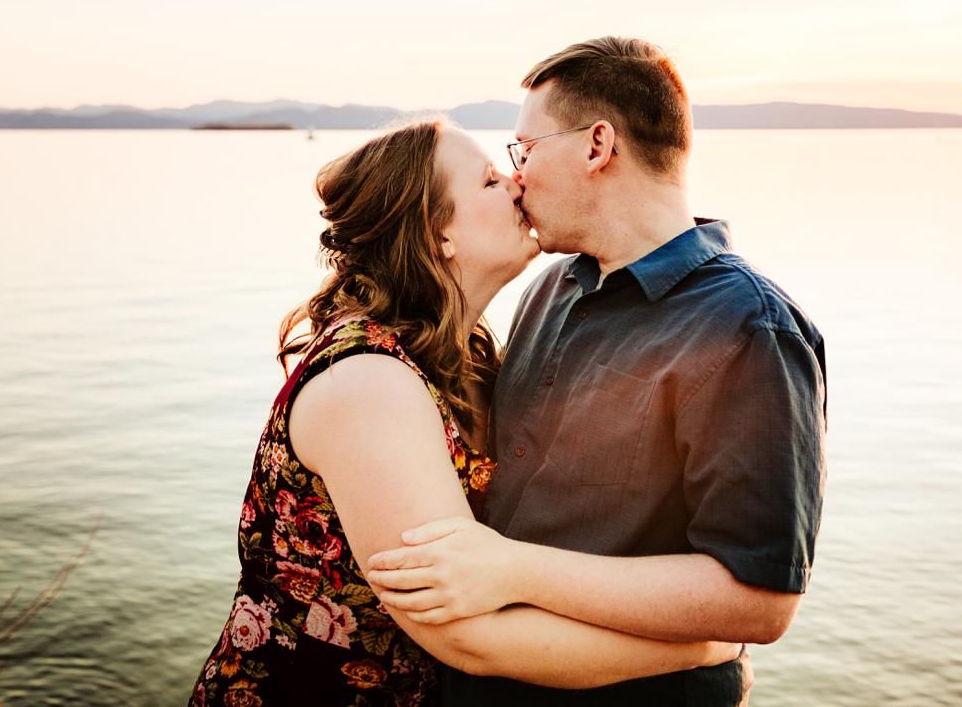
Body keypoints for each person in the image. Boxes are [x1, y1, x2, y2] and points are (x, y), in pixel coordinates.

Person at [187, 119, 742, 707]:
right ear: (438, 234)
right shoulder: (368, 384)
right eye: (487, 181)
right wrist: (699, 650)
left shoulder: (470, 353)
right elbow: (469, 639)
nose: (516, 182)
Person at [365, 38, 828, 706]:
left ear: (596, 146)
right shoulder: (551, 287)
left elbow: (758, 602)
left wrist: (513, 571)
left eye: (524, 151)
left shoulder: (747, 330)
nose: (516, 177)